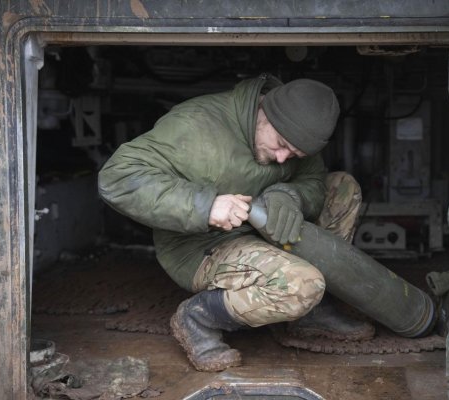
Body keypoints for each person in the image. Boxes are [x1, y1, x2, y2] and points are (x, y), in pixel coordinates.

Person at [98, 73, 374, 372]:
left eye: (294, 154)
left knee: (342, 188)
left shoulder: (294, 131)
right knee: (301, 285)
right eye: (280, 144)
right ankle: (198, 316)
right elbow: (117, 179)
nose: (283, 159)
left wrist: (290, 195)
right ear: (264, 110)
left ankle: (310, 313)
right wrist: (205, 205)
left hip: (261, 230)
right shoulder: (195, 126)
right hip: (203, 246)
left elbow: (312, 180)